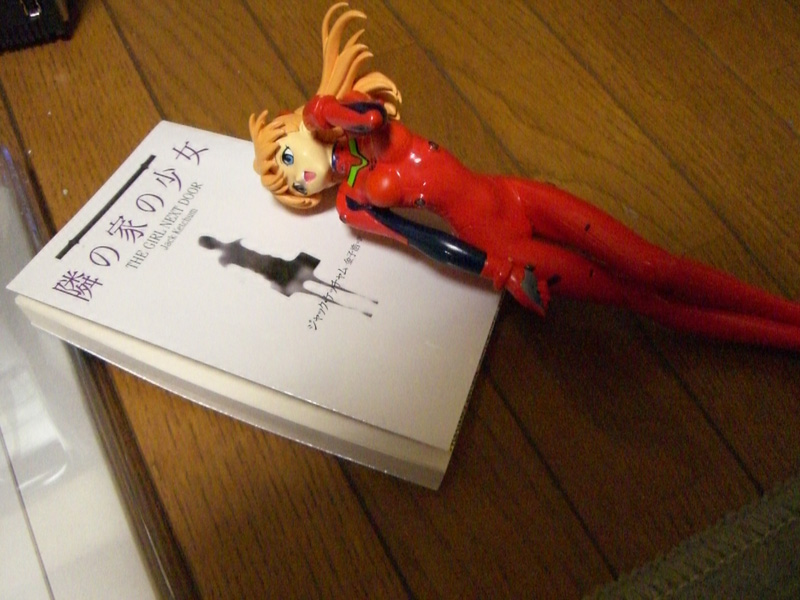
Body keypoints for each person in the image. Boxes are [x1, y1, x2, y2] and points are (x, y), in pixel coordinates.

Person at [249, 3, 800, 350]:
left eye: (288, 159)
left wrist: (322, 112)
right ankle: (785, 338)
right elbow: (423, 241)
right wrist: (496, 269)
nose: (302, 178)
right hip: (502, 246)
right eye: (293, 186)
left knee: (655, 266)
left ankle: (789, 314)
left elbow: (371, 116)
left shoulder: (364, 129)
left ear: (298, 124)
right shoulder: (351, 202)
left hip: (515, 194)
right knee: (646, 301)